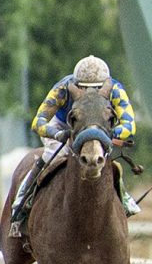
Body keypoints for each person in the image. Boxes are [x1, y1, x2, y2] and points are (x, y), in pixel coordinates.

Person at [9, 55, 138, 236]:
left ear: (105, 85)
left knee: (107, 160)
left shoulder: (115, 89)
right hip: (64, 126)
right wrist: (57, 134)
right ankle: (22, 202)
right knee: (53, 153)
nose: (89, 94)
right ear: (75, 84)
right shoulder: (63, 88)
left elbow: (129, 125)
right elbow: (38, 122)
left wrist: (108, 134)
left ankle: (123, 200)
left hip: (98, 128)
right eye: (83, 89)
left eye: (96, 89)